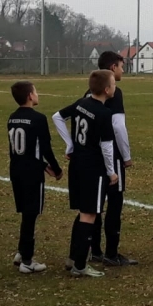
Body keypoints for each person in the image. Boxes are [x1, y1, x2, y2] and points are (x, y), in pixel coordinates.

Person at [53, 70, 119, 278]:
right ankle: (80, 265)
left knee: (84, 212)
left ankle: (74, 257)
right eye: (113, 84)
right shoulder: (104, 113)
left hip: (77, 165)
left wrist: (70, 144)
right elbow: (107, 146)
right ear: (107, 89)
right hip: (93, 168)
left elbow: (57, 117)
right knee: (89, 214)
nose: (115, 87)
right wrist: (111, 172)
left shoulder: (81, 103)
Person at [85, 51, 135, 267]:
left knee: (96, 203)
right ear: (113, 68)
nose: (123, 71)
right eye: (121, 66)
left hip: (93, 156)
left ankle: (95, 250)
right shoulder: (115, 92)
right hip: (111, 155)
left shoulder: (90, 91)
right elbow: (118, 126)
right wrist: (126, 156)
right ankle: (112, 253)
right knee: (114, 204)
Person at [8, 81, 63, 274]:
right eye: (36, 91)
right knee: (31, 214)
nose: (37, 94)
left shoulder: (12, 118)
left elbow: (22, 151)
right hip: (31, 173)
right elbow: (45, 148)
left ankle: (21, 252)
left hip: (16, 170)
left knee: (26, 213)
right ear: (30, 96)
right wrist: (56, 168)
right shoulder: (38, 119)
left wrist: (43, 166)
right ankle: (27, 261)